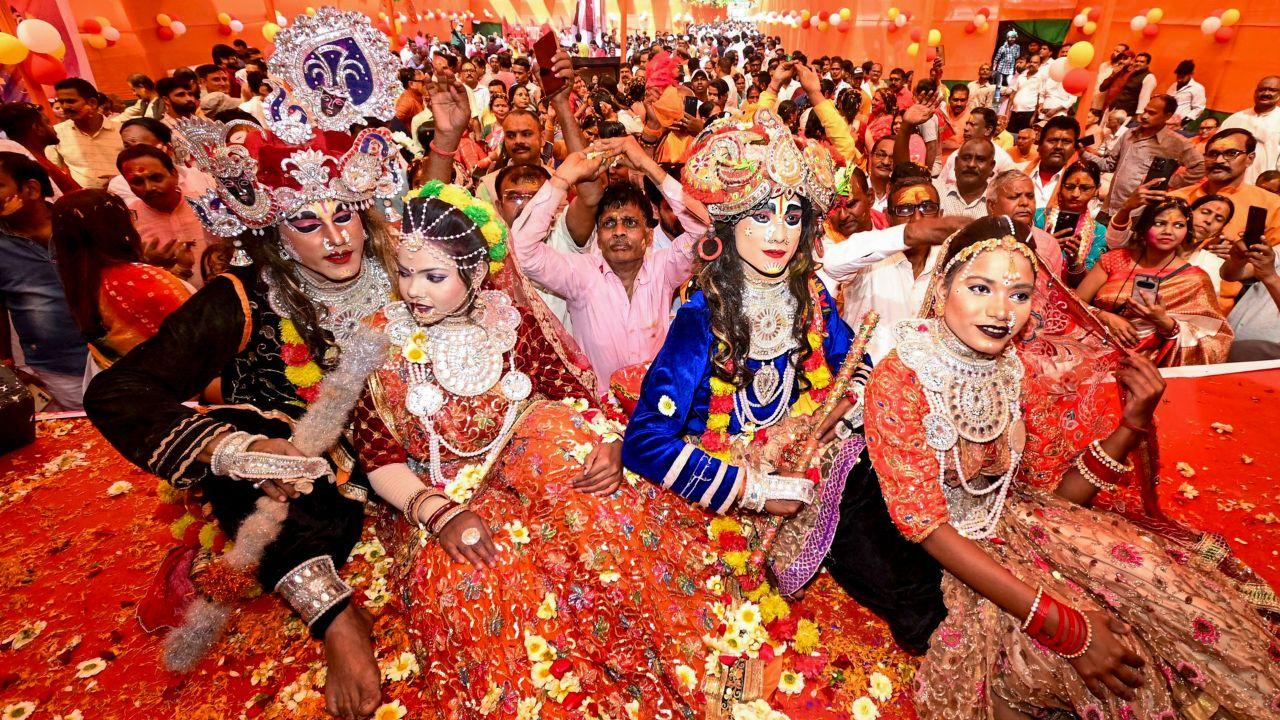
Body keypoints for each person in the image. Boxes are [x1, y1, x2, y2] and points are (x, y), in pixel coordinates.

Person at [82, 10, 408, 718]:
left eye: (346, 213)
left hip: (418, 459)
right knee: (246, 454)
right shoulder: (242, 297)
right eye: (308, 222)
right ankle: (337, 621)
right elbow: (120, 390)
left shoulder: (401, 267)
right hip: (314, 486)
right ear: (275, 232)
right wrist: (233, 447)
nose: (336, 236)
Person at [863, 215, 1280, 720]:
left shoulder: (1012, 366)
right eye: (980, 288)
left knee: (1176, 604)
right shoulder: (900, 377)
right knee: (1080, 671)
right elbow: (926, 526)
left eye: (1019, 295)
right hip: (954, 558)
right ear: (943, 286)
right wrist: (1062, 625)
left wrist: (1131, 424)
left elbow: (1052, 495)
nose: (1001, 312)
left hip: (1030, 528)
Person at [350, 183, 730, 717]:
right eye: (405, 274)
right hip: (434, 493)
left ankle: (687, 658)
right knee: (474, 582)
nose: (414, 290)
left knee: (604, 508)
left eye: (434, 276)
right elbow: (377, 457)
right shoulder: (379, 342)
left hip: (525, 454)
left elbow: (566, 386)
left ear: (476, 274)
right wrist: (439, 515)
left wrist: (614, 442)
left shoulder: (507, 320)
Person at [623, 108, 950, 680]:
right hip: (741, 481)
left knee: (896, 490)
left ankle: (938, 607)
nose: (778, 233)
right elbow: (645, 441)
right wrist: (756, 490)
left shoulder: (811, 299)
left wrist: (848, 411)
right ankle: (931, 625)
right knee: (869, 530)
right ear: (726, 226)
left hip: (819, 455)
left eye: (791, 215)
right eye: (760, 214)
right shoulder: (702, 317)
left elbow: (855, 368)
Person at [511, 138, 703, 396]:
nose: (620, 232)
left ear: (648, 234)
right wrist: (563, 178)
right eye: (609, 224)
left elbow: (706, 233)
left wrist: (648, 165)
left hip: (660, 409)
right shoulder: (580, 275)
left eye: (630, 223)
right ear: (598, 237)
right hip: (599, 416)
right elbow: (521, 251)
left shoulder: (663, 269)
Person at [1077, 198, 1232, 365]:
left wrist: (1165, 322)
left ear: (1187, 231)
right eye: (1159, 223)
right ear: (1143, 227)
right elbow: (1072, 301)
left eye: (1179, 225)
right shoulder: (1115, 259)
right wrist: (1103, 316)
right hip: (1088, 354)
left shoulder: (1195, 279)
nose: (1168, 231)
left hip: (1145, 367)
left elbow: (1214, 337)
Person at [49, 189, 190, 371]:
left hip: (125, 379)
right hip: (175, 382)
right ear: (115, 226)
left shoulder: (82, 277)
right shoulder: (137, 280)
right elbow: (197, 337)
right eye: (129, 216)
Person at [0, 152, 87, 411]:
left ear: (31, 189)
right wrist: (6, 365)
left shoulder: (80, 222)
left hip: (116, 359)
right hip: (54, 372)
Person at [1086, 94, 1204, 216]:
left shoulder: (1175, 142)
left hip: (1136, 214)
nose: (1145, 116)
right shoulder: (1129, 134)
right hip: (1108, 207)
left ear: (1167, 116)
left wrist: (1168, 182)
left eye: (1152, 113)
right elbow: (1109, 165)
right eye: (1145, 111)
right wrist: (1082, 153)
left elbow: (1201, 167)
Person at [116, 144, 214, 287]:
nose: (149, 188)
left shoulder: (208, 204)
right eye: (137, 182)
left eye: (156, 178)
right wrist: (147, 264)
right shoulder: (127, 221)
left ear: (174, 174)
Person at [107, 118, 213, 205]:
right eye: (127, 147)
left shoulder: (197, 176)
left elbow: (216, 210)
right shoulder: (119, 185)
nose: (132, 153)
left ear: (166, 148)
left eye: (140, 147)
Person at [1036, 160, 1108, 287]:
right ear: (1061, 186)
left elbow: (1086, 286)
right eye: (1069, 187)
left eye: (1085, 188)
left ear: (1096, 189)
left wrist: (1074, 261)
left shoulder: (1099, 232)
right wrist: (1047, 248)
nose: (1075, 194)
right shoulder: (1038, 217)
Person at [47, 78, 124, 190]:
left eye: (70, 101)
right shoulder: (56, 133)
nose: (65, 107)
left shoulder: (122, 130)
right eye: (61, 102)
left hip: (127, 196)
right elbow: (54, 173)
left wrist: (119, 181)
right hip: (86, 202)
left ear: (92, 103)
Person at [0, 102, 78, 196]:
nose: (52, 128)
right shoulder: (37, 168)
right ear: (37, 128)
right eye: (47, 122)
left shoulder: (37, 162)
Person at [1223, 237, 1280, 360]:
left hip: (1268, 362)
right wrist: (1237, 260)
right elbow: (1229, 274)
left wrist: (1270, 276)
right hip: (1228, 345)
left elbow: (1268, 274)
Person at [1220, 75, 1280, 184]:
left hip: (1264, 187)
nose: (1266, 93)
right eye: (1262, 90)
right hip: (1229, 183)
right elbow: (1217, 147)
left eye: (1272, 90)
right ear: (1255, 92)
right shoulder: (1236, 118)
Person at [1025, 115, 1081, 209]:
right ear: (1039, 145)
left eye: (1066, 142)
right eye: (1052, 140)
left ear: (1074, 149)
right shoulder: (1016, 172)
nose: (1058, 146)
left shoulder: (1078, 185)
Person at [937, 138, 996, 219]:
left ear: (991, 166)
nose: (971, 165)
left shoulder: (998, 203)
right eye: (966, 158)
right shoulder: (937, 194)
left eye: (980, 159)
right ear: (956, 163)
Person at [1004, 55, 1043, 135]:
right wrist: (1007, 111)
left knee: (1023, 137)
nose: (1032, 64)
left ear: (1040, 65)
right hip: (1015, 111)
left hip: (1028, 113)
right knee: (1009, 135)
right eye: (1031, 62)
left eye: (1035, 63)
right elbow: (1013, 94)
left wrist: (1034, 116)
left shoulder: (1041, 78)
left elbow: (1039, 98)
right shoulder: (1021, 76)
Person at [1167, 59, 1206, 130]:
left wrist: (1182, 122)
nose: (1179, 79)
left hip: (1179, 125)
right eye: (1178, 76)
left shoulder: (1197, 88)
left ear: (1190, 74)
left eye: (1182, 77)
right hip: (1166, 121)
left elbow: (1198, 109)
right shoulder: (1174, 85)